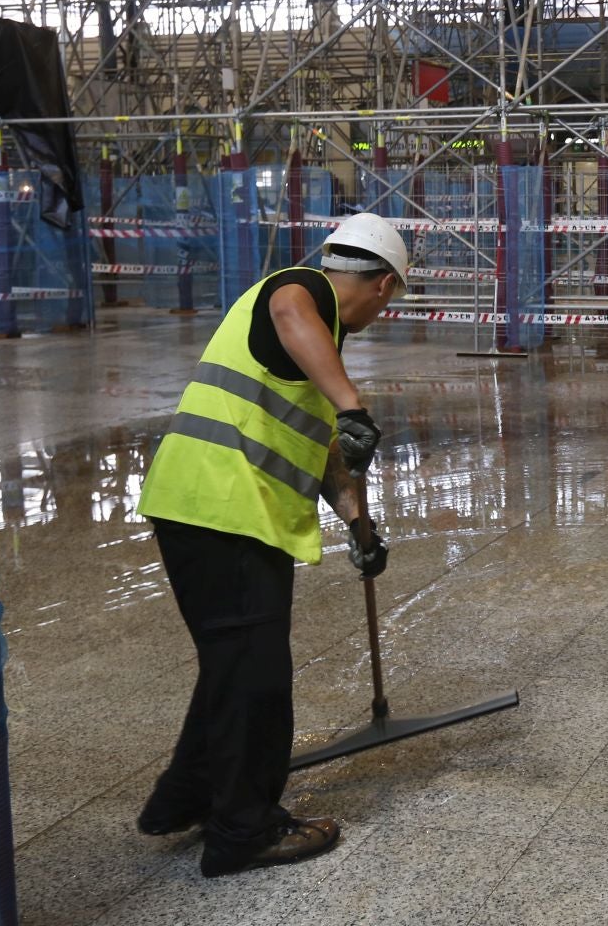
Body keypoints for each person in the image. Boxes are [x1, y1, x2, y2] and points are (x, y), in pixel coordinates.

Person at [132, 211, 407, 877]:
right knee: (256, 679)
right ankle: (244, 832)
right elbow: (288, 309)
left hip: (212, 510)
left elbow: (325, 464)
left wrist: (361, 530)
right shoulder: (301, 291)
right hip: (223, 511)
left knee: (235, 667)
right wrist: (350, 403)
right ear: (383, 286)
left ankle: (184, 799)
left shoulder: (312, 348)